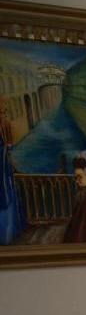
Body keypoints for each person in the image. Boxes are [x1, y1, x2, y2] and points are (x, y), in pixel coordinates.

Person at [0, 101, 27, 245]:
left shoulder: (4, 129)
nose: (5, 116)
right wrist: (6, 150)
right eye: (3, 113)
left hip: (6, 175)